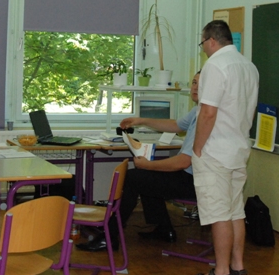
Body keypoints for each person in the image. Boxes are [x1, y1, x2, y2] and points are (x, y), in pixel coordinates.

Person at [77, 72, 201, 252]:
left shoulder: (204, 119)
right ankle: (164, 229)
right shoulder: (198, 110)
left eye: (201, 84)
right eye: (194, 82)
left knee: (134, 177)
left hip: (194, 182)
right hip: (190, 176)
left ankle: (109, 236)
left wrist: (148, 165)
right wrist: (141, 120)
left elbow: (183, 162)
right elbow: (176, 125)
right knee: (145, 177)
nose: (195, 88)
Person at [193, 20, 259, 275]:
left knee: (219, 214)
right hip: (238, 149)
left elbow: (208, 112)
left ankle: (221, 271)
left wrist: (197, 147)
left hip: (215, 152)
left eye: (203, 43)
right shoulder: (249, 66)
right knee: (235, 211)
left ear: (211, 40)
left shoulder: (215, 65)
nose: (203, 49)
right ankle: (238, 267)